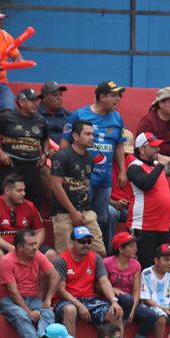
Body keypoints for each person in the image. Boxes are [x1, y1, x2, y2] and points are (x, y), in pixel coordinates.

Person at [61, 81, 127, 244]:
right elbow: (64, 144)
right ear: (102, 97)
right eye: (113, 95)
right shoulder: (79, 115)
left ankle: (95, 253)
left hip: (105, 179)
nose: (118, 99)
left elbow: (119, 145)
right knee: (80, 217)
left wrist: (123, 171)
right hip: (82, 179)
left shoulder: (117, 117)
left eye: (119, 95)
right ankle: (77, 250)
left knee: (102, 219)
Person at [52, 226, 125, 335]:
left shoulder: (96, 258)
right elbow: (60, 290)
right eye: (82, 241)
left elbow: (105, 282)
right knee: (70, 310)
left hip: (89, 299)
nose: (86, 245)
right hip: (67, 300)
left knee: (117, 313)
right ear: (72, 243)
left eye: (89, 242)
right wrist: (79, 305)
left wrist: (114, 301)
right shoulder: (61, 260)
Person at [0, 174, 44, 296]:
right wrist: (13, 249)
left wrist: (34, 247)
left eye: (24, 190)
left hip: (25, 246)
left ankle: (39, 299)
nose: (23, 193)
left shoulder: (30, 206)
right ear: (7, 191)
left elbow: (40, 231)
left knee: (51, 255)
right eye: (19, 190)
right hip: (0, 247)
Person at [0, 229, 59, 338]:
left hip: (32, 298)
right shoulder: (6, 261)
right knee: (22, 315)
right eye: (31, 245)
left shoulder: (38, 255)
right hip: (10, 299)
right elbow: (13, 292)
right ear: (19, 247)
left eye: (35, 243)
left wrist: (47, 300)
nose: (35, 247)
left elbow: (55, 275)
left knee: (48, 313)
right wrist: (29, 312)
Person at [51, 120, 105, 253]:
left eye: (92, 134)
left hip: (86, 212)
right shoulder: (62, 155)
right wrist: (73, 212)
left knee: (100, 252)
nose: (92, 137)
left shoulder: (90, 158)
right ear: (75, 136)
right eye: (87, 134)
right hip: (63, 212)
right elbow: (56, 186)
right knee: (66, 256)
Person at [0, 88, 48, 204]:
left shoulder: (41, 120)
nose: (36, 103)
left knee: (33, 204)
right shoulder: (6, 117)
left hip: (32, 167)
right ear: (21, 102)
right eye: (32, 100)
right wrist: (0, 153)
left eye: (37, 100)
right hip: (10, 166)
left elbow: (45, 139)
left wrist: (45, 153)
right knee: (3, 203)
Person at [127, 132, 170, 265]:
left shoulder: (156, 167)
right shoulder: (134, 167)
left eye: (158, 146)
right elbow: (146, 184)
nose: (158, 149)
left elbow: (165, 193)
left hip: (162, 226)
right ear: (141, 149)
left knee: (165, 266)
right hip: (144, 226)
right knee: (145, 266)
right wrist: (161, 165)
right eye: (153, 146)